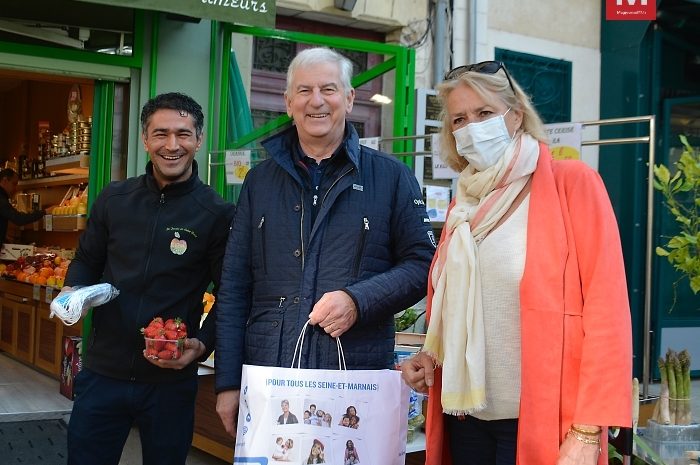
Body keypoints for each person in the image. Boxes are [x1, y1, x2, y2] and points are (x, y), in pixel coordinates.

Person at [400, 61, 632, 465]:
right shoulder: (463, 205)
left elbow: (607, 313)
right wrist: (432, 357)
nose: (472, 126)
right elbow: (461, 308)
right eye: (459, 118)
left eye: (484, 113)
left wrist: (588, 429)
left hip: (540, 423)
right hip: (464, 419)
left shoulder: (571, 184)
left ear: (516, 115)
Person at [215, 46, 435, 435]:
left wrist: (358, 300)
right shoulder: (259, 182)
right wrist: (228, 382)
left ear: (349, 98)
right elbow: (234, 286)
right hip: (272, 373)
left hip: (354, 374)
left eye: (329, 89)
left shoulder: (392, 178)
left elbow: (422, 265)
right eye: (304, 91)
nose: (316, 101)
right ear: (288, 103)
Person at [64, 92, 236, 465]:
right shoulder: (114, 199)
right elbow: (86, 262)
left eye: (183, 134)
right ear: (145, 139)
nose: (172, 146)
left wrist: (202, 344)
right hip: (103, 372)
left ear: (199, 138)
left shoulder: (216, 213)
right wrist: (70, 294)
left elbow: (232, 294)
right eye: (160, 134)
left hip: (170, 382)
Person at [0, 168, 45, 248]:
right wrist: (45, 212)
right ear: (5, 180)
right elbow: (19, 219)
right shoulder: (1, 199)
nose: (15, 188)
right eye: (14, 184)